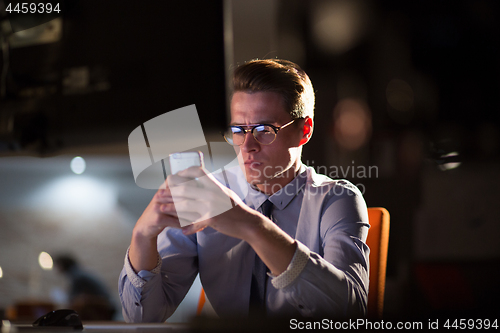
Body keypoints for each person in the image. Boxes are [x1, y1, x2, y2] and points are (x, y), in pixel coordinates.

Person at [119, 59, 370, 322]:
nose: (247, 145)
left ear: (304, 130)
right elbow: (142, 317)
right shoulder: (207, 195)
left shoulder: (337, 199)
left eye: (264, 130)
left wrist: (251, 226)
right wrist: (142, 237)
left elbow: (351, 315)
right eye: (239, 130)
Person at [54, 255, 116, 320]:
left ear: (62, 264)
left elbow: (73, 297)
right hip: (107, 305)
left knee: (79, 304)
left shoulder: (77, 275)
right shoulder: (79, 272)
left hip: (105, 307)